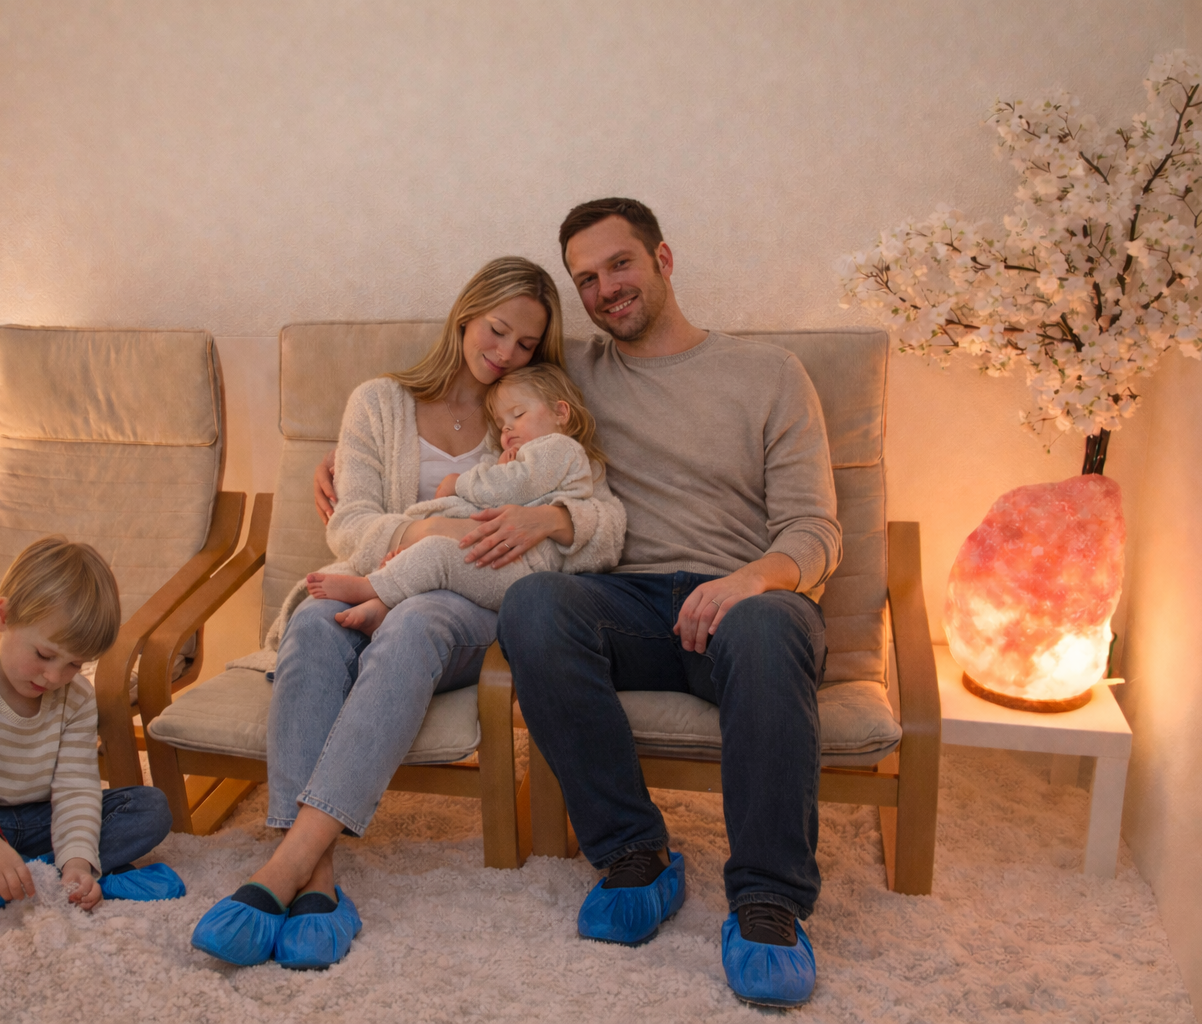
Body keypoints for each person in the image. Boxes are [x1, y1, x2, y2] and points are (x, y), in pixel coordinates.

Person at [314, 200, 839, 1006]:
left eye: (619, 264)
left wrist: (747, 582)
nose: (606, 289)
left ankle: (769, 902)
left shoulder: (769, 373)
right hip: (621, 600)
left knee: (770, 627)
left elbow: (815, 530)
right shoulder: (570, 378)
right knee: (536, 605)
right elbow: (469, 402)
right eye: (586, 279)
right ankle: (633, 855)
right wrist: (350, 461)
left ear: (663, 259)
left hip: (746, 602)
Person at [191, 256, 626, 971]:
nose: (506, 353)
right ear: (466, 315)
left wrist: (550, 519)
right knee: (312, 620)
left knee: (416, 622)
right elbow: (350, 525)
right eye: (497, 330)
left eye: (525, 344)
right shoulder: (378, 403)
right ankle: (317, 879)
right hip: (376, 579)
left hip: (467, 607)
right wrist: (429, 531)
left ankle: (283, 865)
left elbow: (605, 524)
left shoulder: (530, 417)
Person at [0, 536, 177, 937]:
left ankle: (10, 883)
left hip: (40, 815)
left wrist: (77, 861)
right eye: (43, 655)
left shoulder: (76, 699)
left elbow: (76, 788)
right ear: (2, 616)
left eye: (74, 664)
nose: (54, 676)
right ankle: (21, 875)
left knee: (151, 809)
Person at [304, 362, 621, 630]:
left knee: (438, 556)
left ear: (560, 412)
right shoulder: (529, 456)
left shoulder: (558, 448)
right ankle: (386, 600)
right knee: (433, 553)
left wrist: (459, 483)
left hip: (523, 571)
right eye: (501, 424)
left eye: (518, 415)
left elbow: (510, 488)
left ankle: (370, 589)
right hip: (506, 562)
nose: (507, 430)